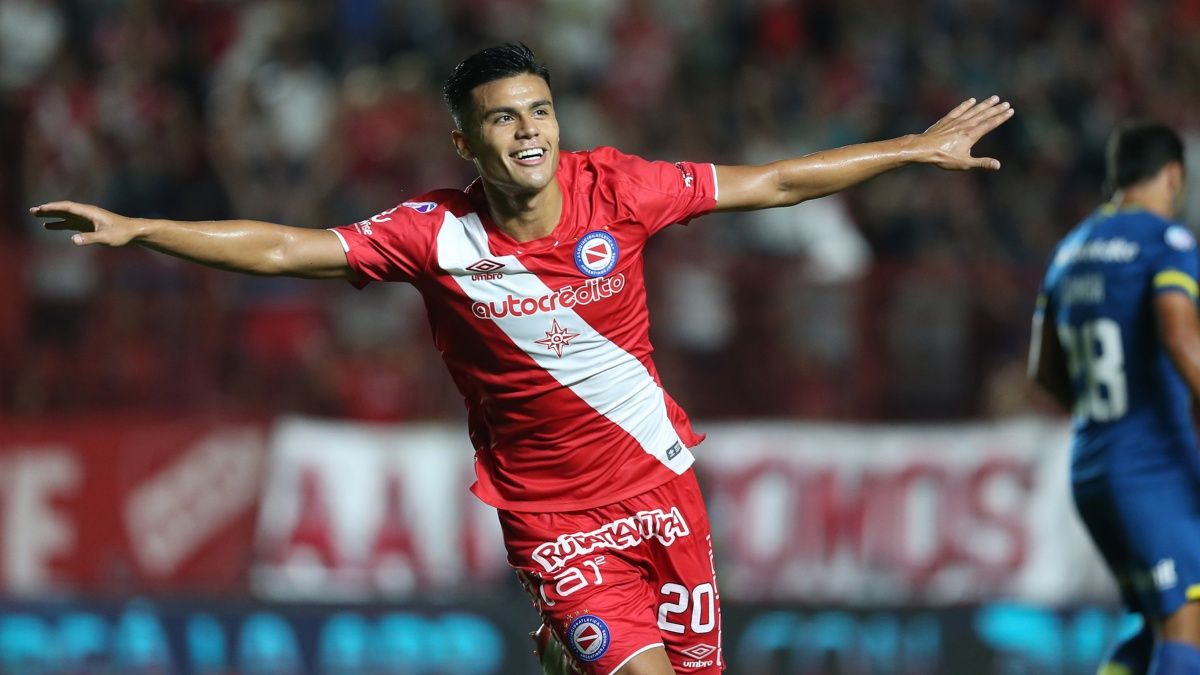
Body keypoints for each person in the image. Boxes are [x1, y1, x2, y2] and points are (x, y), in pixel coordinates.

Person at [34, 43, 1012, 675]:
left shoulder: (618, 187)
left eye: (539, 111)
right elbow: (289, 248)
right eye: (504, 118)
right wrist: (141, 228)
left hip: (664, 490)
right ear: (467, 140)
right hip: (554, 520)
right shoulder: (430, 235)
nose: (529, 130)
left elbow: (779, 182)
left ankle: (560, 655)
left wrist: (914, 149)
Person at [1029, 122, 1200, 675]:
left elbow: (1042, 370)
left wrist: (1103, 412)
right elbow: (1179, 335)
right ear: (1174, 175)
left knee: (1155, 623)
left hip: (1093, 465)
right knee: (1188, 619)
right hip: (1152, 464)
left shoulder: (1068, 251)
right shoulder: (1164, 241)